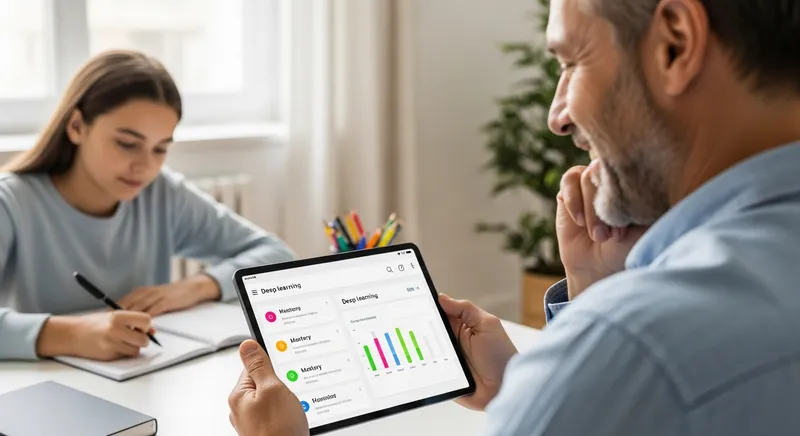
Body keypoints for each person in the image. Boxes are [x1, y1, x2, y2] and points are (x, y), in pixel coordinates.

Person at [226, 0, 800, 434]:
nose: (556, 116)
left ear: (675, 42)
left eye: (573, 61)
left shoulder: (631, 349)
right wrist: (587, 306)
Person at [0, 50, 295, 362]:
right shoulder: (11, 203)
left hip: (141, 378)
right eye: (127, 144)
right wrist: (74, 335)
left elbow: (275, 254)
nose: (145, 166)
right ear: (76, 126)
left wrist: (196, 286)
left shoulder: (161, 194)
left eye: (160, 149)